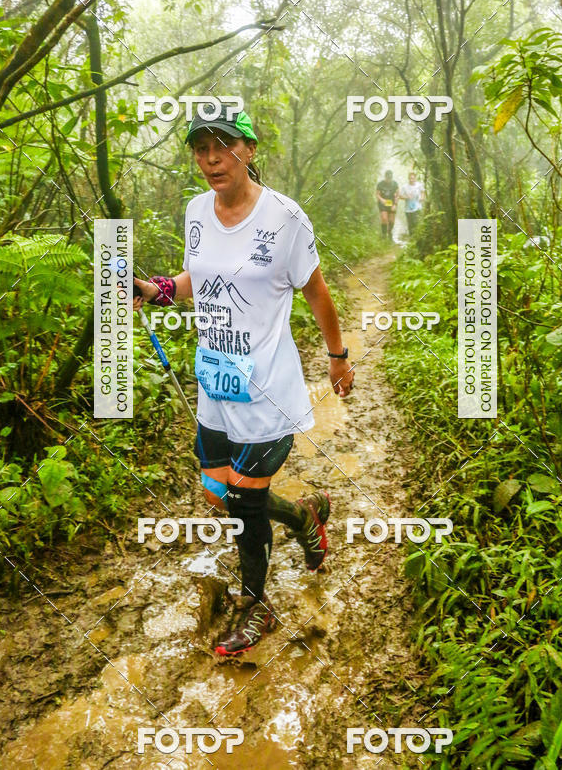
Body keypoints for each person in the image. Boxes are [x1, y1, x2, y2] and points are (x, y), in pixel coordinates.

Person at [133, 104, 354, 656]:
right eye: (201, 148)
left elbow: (316, 293)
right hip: (216, 384)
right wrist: (159, 289)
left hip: (267, 391)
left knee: (244, 499)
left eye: (224, 145)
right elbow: (200, 278)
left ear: (249, 150)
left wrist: (338, 356)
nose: (212, 158)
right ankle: (305, 515)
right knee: (217, 494)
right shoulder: (195, 212)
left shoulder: (286, 218)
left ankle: (258, 606)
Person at [400, 170, 425, 235]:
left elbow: (422, 192)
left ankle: (416, 237)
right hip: (408, 209)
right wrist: (406, 197)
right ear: (408, 178)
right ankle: (411, 238)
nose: (411, 180)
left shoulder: (419, 185)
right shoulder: (404, 187)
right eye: (410, 178)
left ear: (415, 178)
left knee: (416, 222)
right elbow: (400, 196)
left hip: (417, 207)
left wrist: (422, 198)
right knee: (410, 224)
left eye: (413, 178)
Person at [376, 170, 399, 239]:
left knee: (391, 220)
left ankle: (389, 232)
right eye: (387, 178)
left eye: (390, 178)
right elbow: (377, 194)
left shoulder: (395, 184)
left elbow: (397, 195)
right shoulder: (380, 184)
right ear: (385, 177)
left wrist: (395, 204)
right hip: (383, 203)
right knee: (384, 218)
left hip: (391, 202)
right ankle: (384, 234)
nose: (388, 180)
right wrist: (381, 199)